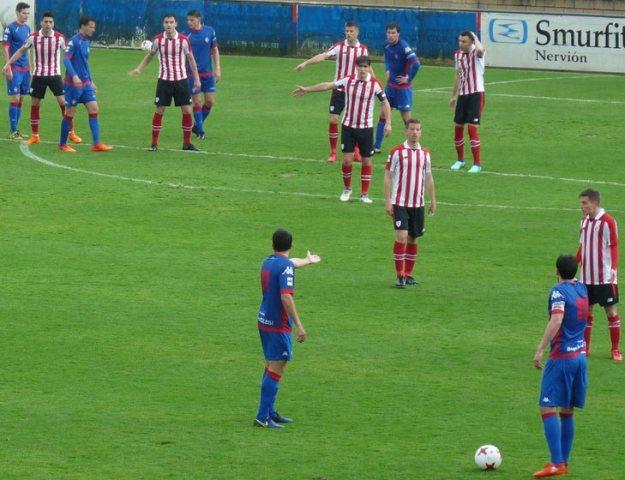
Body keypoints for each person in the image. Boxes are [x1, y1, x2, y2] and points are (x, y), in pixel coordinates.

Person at [293, 55, 391, 204]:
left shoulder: (375, 84)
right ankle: (347, 189)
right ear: (356, 67)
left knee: (367, 162)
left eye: (366, 67)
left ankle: (364, 194)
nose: (363, 69)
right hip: (348, 127)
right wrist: (307, 89)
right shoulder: (348, 80)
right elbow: (327, 85)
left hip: (366, 128)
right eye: (360, 66)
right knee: (346, 161)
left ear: (369, 68)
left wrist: (388, 123)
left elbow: (385, 103)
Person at [255, 229, 321, 428]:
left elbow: (291, 263)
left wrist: (308, 260)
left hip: (264, 319)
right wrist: (299, 326)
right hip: (278, 324)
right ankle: (262, 416)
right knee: (278, 366)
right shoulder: (285, 267)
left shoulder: (269, 261)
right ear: (291, 246)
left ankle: (270, 412)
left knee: (271, 365)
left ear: (272, 245)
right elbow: (286, 296)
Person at [532, 254, 588, 478]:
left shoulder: (558, 291)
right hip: (580, 357)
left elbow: (556, 320)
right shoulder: (582, 288)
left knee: (547, 407)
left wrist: (540, 348)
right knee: (567, 410)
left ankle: (556, 463)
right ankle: (563, 463)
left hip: (562, 358)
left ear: (556, 271)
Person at [294, 20, 368, 163]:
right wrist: (306, 63)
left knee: (355, 121)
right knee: (333, 118)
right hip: (338, 88)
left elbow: (368, 68)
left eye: (351, 31)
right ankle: (333, 152)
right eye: (346, 31)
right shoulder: (339, 46)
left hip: (356, 90)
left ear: (357, 32)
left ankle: (357, 151)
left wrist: (374, 83)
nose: (348, 34)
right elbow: (323, 55)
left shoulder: (363, 49)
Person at [3, 11, 81, 145]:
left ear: (53, 23)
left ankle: (71, 133)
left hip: (55, 76)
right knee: (34, 104)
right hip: (38, 76)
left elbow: (69, 56)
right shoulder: (33, 37)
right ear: (41, 23)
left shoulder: (59, 38)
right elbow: (21, 50)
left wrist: (74, 74)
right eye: (46, 22)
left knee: (64, 104)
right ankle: (35, 136)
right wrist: (8, 63)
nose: (48, 24)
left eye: (50, 22)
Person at [129, 13, 201, 151]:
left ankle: (187, 144)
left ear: (176, 24)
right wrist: (139, 69)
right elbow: (150, 56)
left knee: (187, 110)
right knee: (160, 110)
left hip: (181, 80)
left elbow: (191, 60)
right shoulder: (157, 40)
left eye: (171, 22)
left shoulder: (183, 40)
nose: (169, 25)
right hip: (164, 81)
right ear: (163, 24)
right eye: (166, 22)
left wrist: (197, 79)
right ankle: (154, 144)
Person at [384, 119, 435, 288]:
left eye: (418, 130)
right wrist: (388, 201)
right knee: (402, 236)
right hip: (400, 202)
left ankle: (408, 274)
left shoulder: (425, 154)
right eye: (412, 129)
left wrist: (433, 200)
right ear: (406, 131)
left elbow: (428, 177)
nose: (415, 132)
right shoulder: (396, 152)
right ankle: (399, 275)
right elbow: (388, 176)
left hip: (418, 203)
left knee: (413, 239)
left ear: (421, 132)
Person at [576, 188, 621, 361]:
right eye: (581, 203)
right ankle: (585, 348)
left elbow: (614, 246)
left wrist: (613, 269)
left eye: (584, 203)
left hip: (604, 277)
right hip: (586, 276)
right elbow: (582, 246)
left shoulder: (608, 221)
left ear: (595, 203)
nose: (582, 206)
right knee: (587, 312)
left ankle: (615, 349)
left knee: (610, 312)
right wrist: (574, 263)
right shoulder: (584, 221)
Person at [58, 16, 112, 152]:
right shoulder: (74, 41)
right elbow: (66, 60)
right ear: (83, 26)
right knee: (70, 113)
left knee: (94, 109)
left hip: (86, 84)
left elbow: (85, 63)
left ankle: (97, 144)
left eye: (94, 27)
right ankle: (62, 145)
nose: (93, 29)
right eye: (91, 27)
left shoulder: (86, 41)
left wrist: (91, 81)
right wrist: (75, 77)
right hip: (73, 86)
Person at [374, 23, 420, 153]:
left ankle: (414, 147)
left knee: (407, 120)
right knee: (383, 115)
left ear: (398, 34)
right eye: (389, 32)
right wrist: (387, 69)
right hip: (390, 88)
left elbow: (416, 64)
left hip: (403, 90)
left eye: (393, 33)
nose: (391, 35)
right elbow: (387, 60)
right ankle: (376, 146)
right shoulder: (387, 46)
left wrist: (408, 78)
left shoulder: (404, 46)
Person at [449, 31, 485, 173]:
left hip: (476, 94)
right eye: (459, 41)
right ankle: (460, 160)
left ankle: (477, 164)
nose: (461, 44)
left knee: (471, 128)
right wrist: (453, 96)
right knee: (458, 128)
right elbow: (458, 76)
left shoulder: (477, 53)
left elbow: (481, 50)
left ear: (471, 42)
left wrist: (475, 37)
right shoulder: (457, 55)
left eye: (464, 41)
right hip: (463, 95)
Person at [182, 9, 220, 140]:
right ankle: (200, 130)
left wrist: (218, 69)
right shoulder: (185, 35)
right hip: (191, 74)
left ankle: (197, 126)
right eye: (188, 20)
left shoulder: (210, 31)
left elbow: (214, 50)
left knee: (210, 101)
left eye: (191, 20)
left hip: (208, 73)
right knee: (197, 102)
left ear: (199, 19)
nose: (189, 22)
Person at [2, 2, 30, 139]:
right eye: (24, 13)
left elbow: (27, 50)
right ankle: (13, 131)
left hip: (25, 69)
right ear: (18, 12)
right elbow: (5, 48)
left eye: (28, 13)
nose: (27, 16)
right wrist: (7, 67)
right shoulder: (10, 29)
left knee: (21, 99)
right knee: (15, 98)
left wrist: (32, 66)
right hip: (14, 68)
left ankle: (16, 130)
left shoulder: (28, 28)